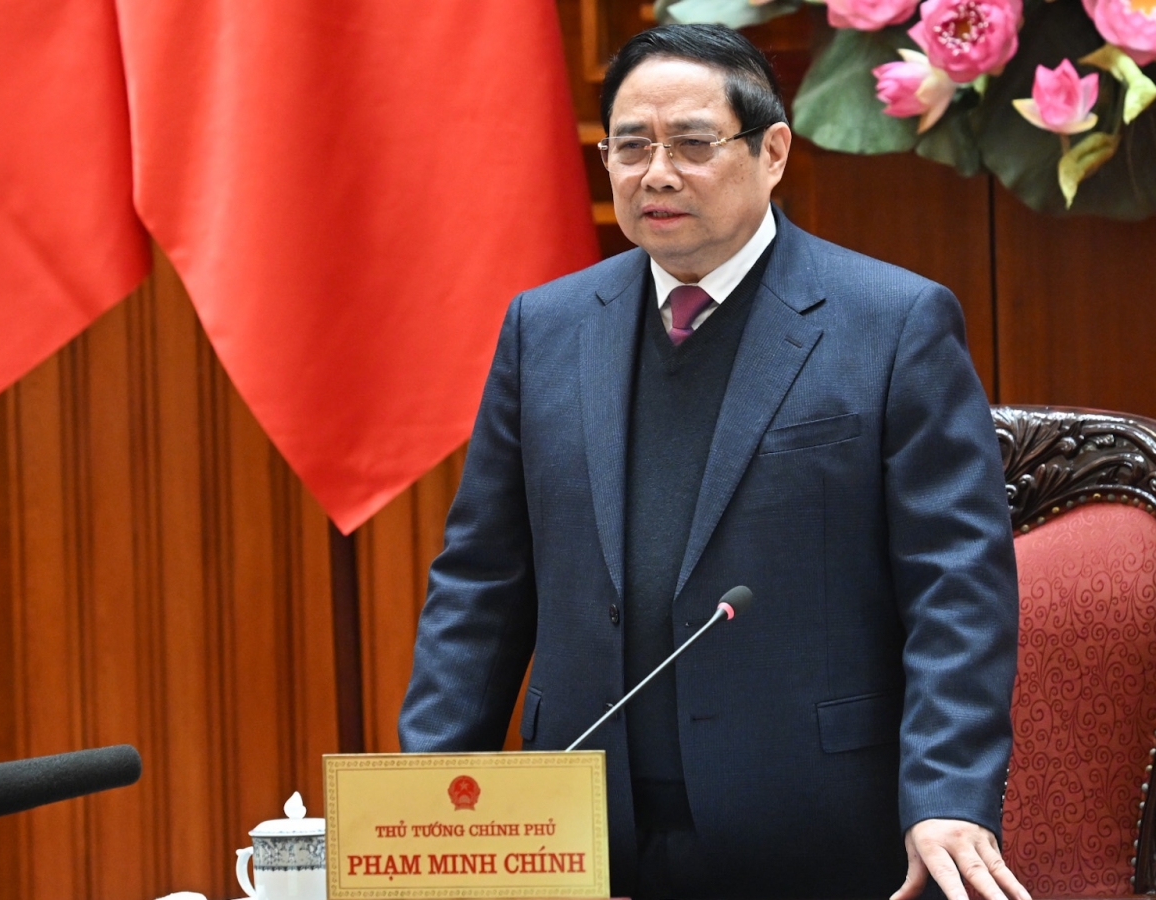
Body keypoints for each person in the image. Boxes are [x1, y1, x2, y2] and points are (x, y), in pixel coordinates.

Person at [399, 23, 1025, 900]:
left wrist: (949, 794)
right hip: (584, 832)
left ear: (772, 152)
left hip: (815, 832)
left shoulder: (892, 324)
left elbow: (956, 586)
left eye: (692, 144)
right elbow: (480, 582)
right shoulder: (545, 329)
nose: (656, 173)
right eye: (630, 146)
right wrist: (426, 800)